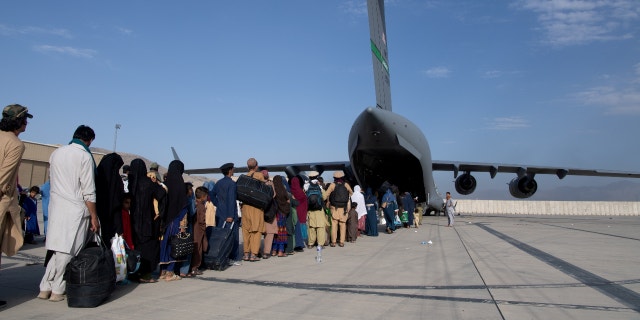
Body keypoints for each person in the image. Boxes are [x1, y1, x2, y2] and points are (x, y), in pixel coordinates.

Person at [39, 125, 99, 302]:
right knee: (69, 251)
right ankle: (58, 289)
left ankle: (45, 286)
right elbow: (88, 190)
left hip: (57, 207)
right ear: (89, 140)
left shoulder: (57, 153)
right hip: (76, 209)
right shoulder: (84, 157)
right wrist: (94, 216)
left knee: (56, 250)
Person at [128, 159, 165, 283]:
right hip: (148, 222)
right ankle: (145, 275)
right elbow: (162, 194)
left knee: (136, 247)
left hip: (133, 221)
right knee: (149, 249)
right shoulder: (148, 183)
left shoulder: (131, 184)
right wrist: (157, 183)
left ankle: (134, 273)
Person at [158, 160, 189, 281]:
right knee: (174, 245)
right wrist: (183, 223)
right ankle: (170, 272)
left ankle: (163, 271)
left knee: (164, 245)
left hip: (164, 221)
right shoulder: (180, 184)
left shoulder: (165, 184)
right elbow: (183, 206)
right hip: (176, 220)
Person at [211, 162, 240, 265]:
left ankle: (221, 256)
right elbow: (231, 200)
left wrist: (218, 204)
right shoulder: (231, 184)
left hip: (220, 214)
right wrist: (230, 215)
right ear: (230, 170)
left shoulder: (219, 183)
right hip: (229, 215)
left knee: (221, 237)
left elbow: (212, 194)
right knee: (232, 237)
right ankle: (233, 258)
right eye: (233, 169)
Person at [95, 153, 125, 244]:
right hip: (112, 217)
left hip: (98, 215)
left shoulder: (97, 176)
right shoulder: (115, 179)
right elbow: (118, 199)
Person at [239, 158, 265, 262]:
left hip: (245, 207)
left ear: (247, 167)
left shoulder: (244, 177)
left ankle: (246, 253)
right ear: (256, 166)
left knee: (246, 230)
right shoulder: (260, 176)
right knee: (256, 230)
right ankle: (254, 254)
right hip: (257, 207)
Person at [324, 170, 352, 247]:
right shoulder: (346, 185)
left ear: (334, 178)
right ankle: (342, 242)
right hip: (343, 208)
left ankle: (333, 242)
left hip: (334, 208)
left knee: (334, 225)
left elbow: (326, 195)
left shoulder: (332, 185)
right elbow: (351, 193)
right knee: (342, 225)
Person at [190, 186, 209, 276]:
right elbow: (201, 220)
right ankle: (195, 267)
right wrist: (204, 227)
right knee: (198, 249)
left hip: (193, 228)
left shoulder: (194, 203)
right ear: (203, 197)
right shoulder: (201, 206)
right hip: (199, 230)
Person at [305, 171, 327, 248]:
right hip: (319, 210)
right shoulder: (319, 186)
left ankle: (311, 243)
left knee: (311, 227)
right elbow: (324, 197)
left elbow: (305, 198)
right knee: (320, 228)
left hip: (310, 210)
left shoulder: (306, 186)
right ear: (317, 177)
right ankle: (320, 243)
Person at [272, 175, 290, 257]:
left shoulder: (273, 190)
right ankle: (281, 251)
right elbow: (288, 200)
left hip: (275, 214)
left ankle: (274, 250)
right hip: (282, 214)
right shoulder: (283, 189)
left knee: (275, 232)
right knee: (282, 232)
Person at [289, 174, 307, 252]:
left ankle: (292, 243)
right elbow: (305, 202)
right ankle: (299, 244)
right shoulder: (301, 192)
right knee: (299, 228)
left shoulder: (290, 191)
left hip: (293, 212)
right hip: (301, 212)